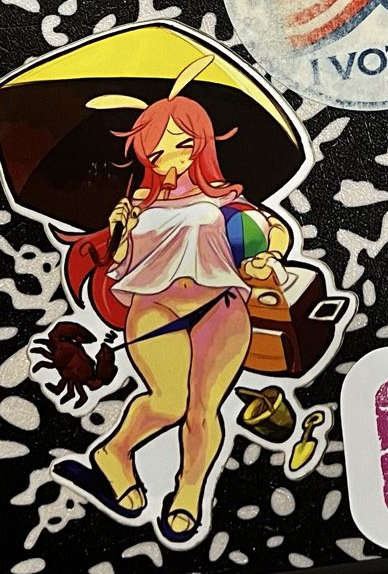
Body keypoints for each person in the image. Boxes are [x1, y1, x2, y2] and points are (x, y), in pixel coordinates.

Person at [53, 61, 293, 545]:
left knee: (204, 410)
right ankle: (114, 453)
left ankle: (188, 495)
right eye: (157, 150)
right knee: (169, 401)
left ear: (201, 145)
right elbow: (119, 266)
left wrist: (268, 256)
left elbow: (272, 230)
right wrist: (119, 232)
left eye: (182, 144)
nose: (171, 158)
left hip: (221, 306)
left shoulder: (222, 199)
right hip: (155, 308)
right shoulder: (136, 205)